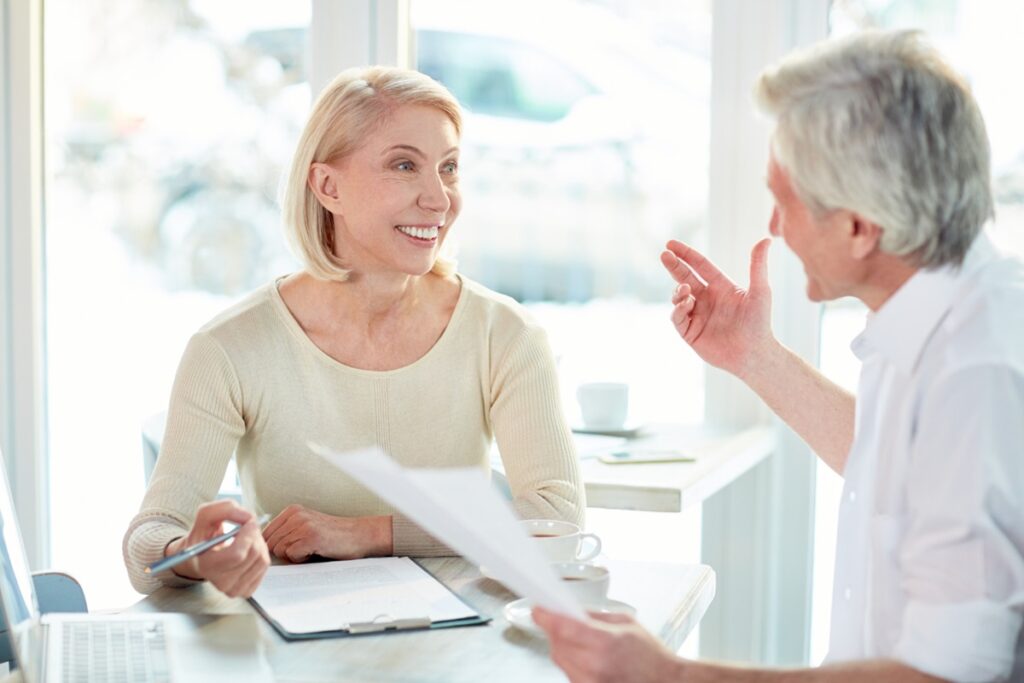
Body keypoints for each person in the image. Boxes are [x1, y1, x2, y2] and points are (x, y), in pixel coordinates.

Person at [534, 29, 1024, 683]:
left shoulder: (978, 368)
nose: (775, 226)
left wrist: (669, 675)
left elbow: (941, 675)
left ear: (859, 227)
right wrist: (755, 356)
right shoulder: (935, 307)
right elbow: (902, 465)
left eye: (785, 199)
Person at [123, 66, 584, 598]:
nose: (439, 198)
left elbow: (558, 519)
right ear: (327, 186)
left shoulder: (505, 335)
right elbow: (147, 546)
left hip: (461, 648)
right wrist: (196, 557)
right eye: (404, 165)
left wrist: (371, 534)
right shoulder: (229, 348)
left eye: (450, 167)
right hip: (296, 650)